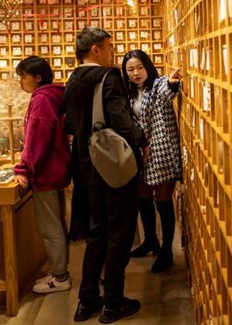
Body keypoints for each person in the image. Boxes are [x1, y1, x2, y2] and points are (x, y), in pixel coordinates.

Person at [65, 27, 147, 323]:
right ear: (96, 49)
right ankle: (113, 302)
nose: (112, 53)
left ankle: (86, 301)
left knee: (97, 234)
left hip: (86, 170)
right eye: (109, 48)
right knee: (119, 234)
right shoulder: (108, 76)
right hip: (112, 166)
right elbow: (122, 122)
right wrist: (142, 138)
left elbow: (70, 126)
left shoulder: (73, 79)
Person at [12, 56, 72, 294]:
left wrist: (23, 168)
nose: (21, 83)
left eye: (23, 77)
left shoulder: (42, 99)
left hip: (47, 171)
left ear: (37, 77)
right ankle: (60, 272)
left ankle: (60, 276)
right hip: (57, 168)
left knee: (49, 227)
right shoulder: (53, 95)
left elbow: (37, 139)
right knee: (57, 223)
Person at [122, 50, 182, 273]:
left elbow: (169, 90)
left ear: (147, 66)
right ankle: (150, 241)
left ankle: (166, 250)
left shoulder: (158, 85)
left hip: (161, 152)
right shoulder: (128, 93)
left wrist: (173, 83)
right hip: (141, 153)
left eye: (139, 67)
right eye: (130, 69)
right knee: (143, 197)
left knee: (164, 200)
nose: (136, 73)